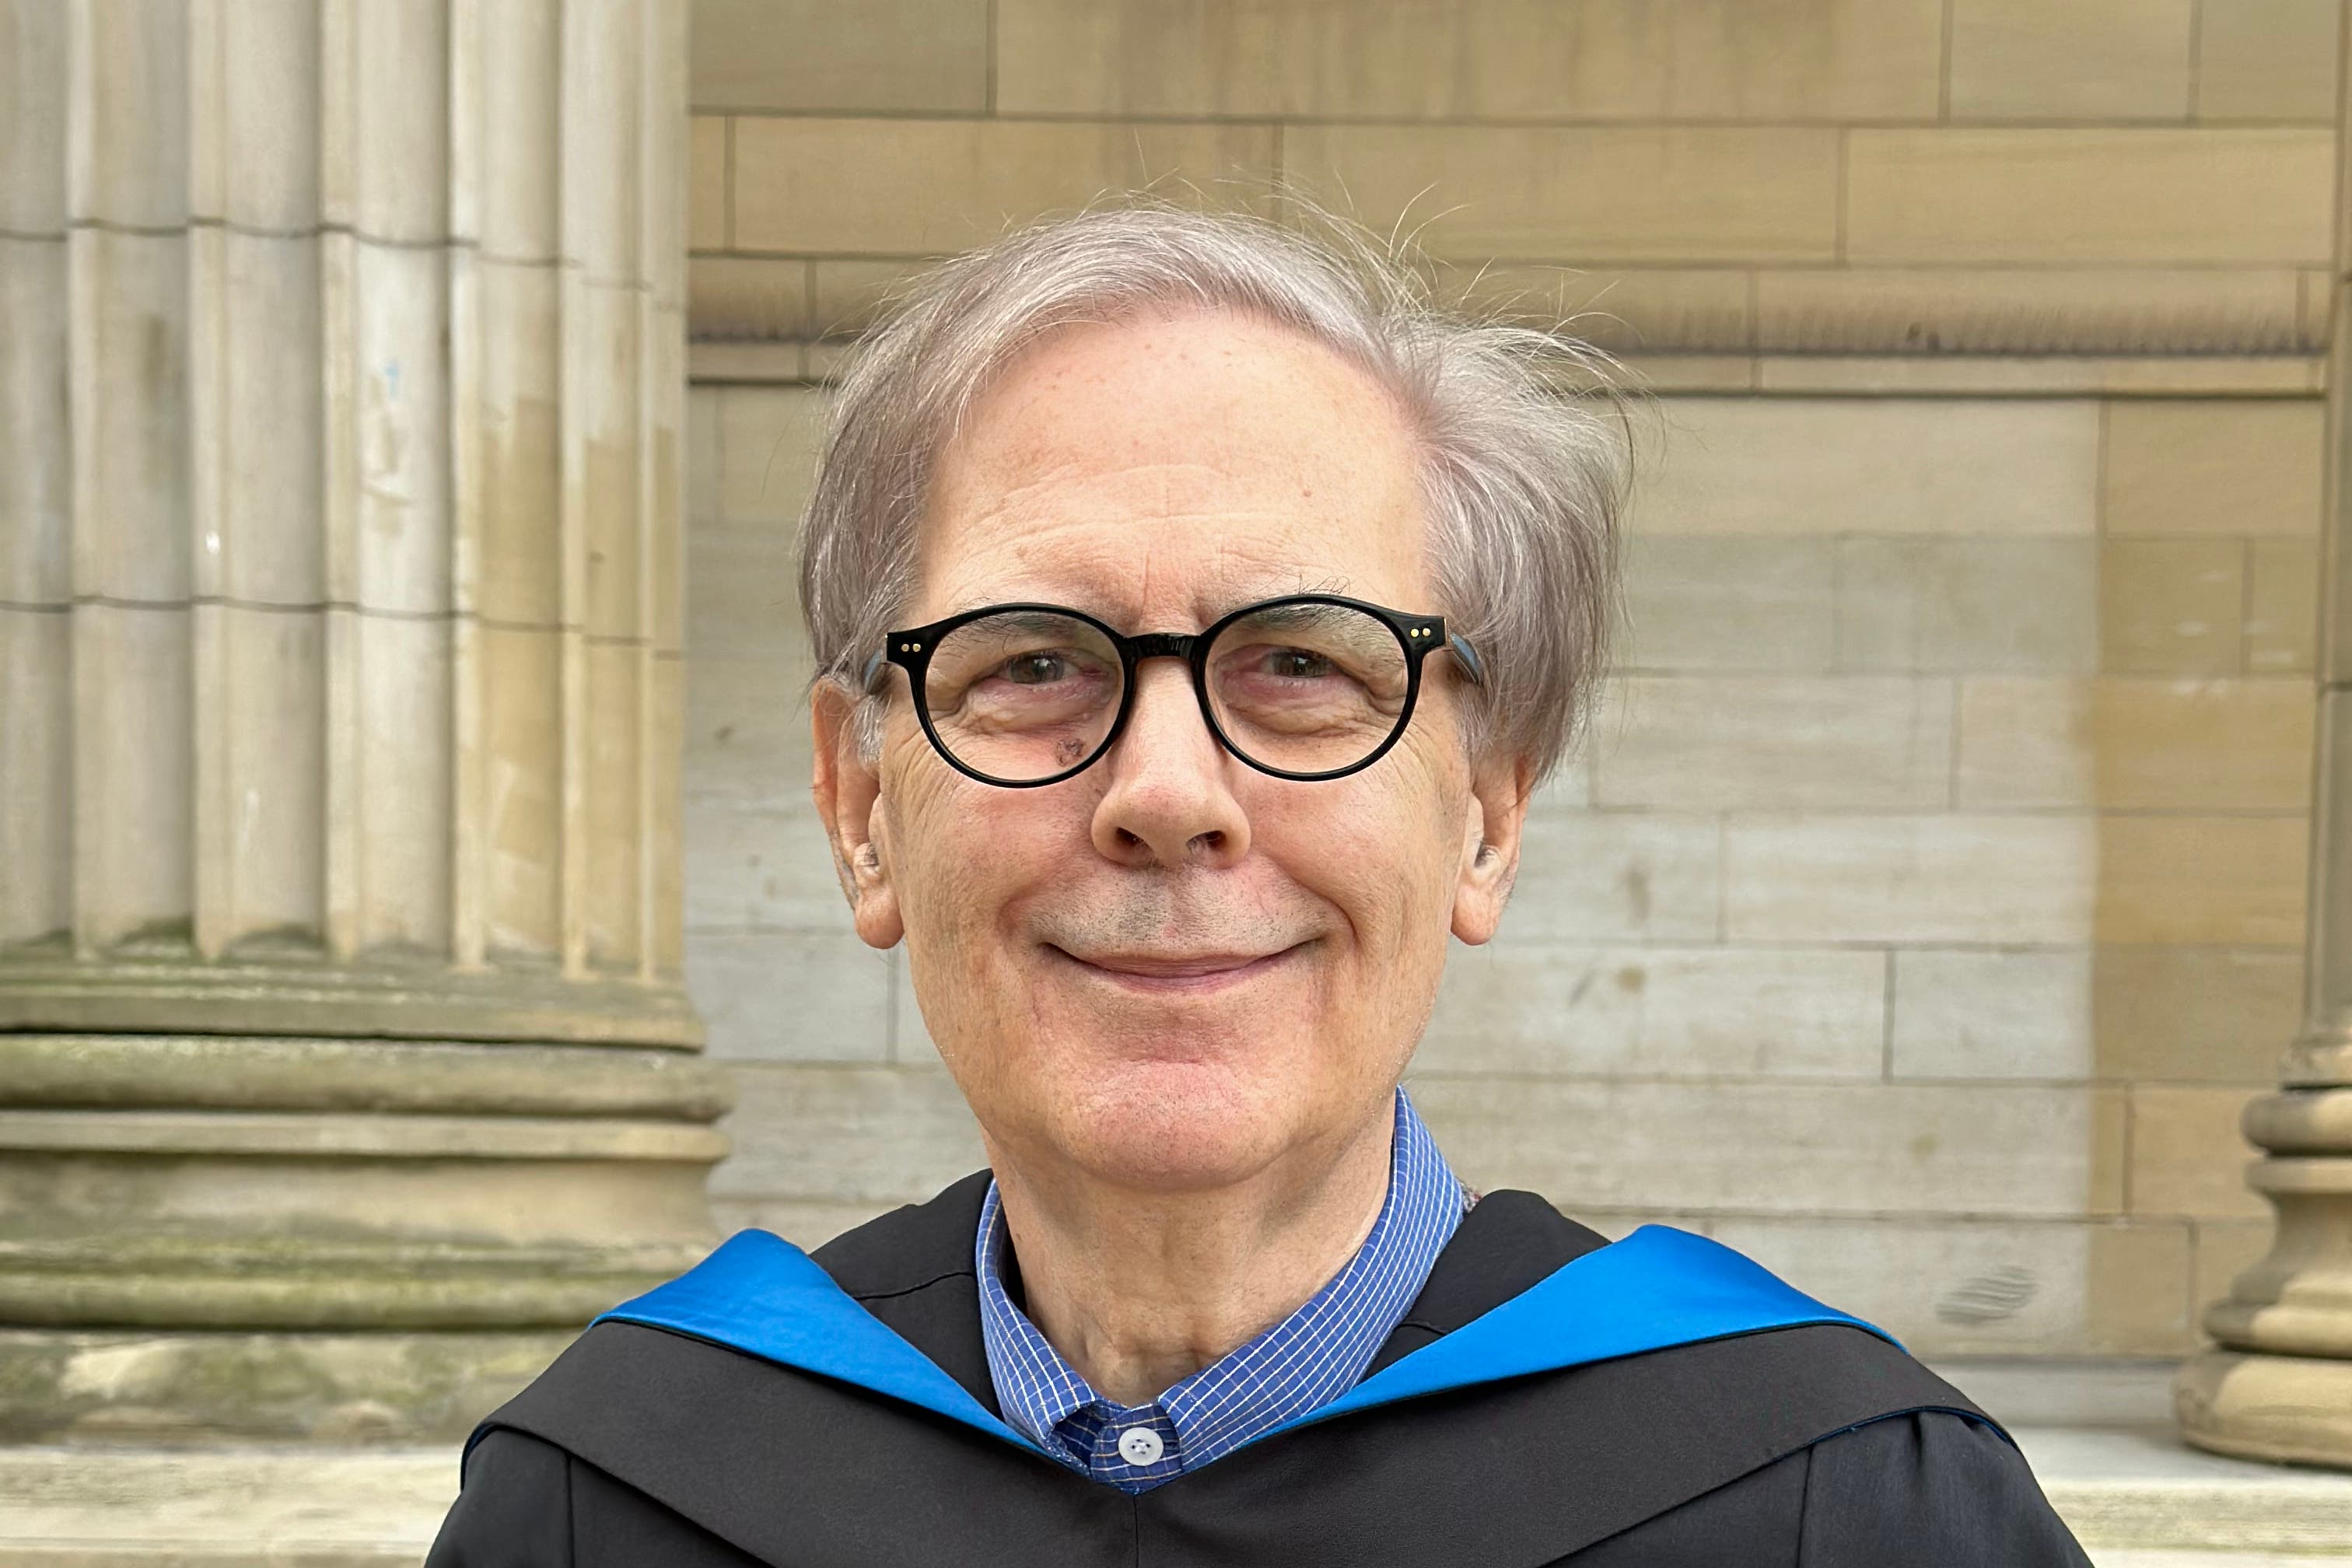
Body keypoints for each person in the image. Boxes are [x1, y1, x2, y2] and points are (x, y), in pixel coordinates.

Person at [427, 205, 2090, 1566]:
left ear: (1489, 812)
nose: (1166, 794)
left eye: (1301, 662)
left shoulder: (1845, 1512)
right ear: (863, 805)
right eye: (1032, 663)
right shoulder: (614, 1502)